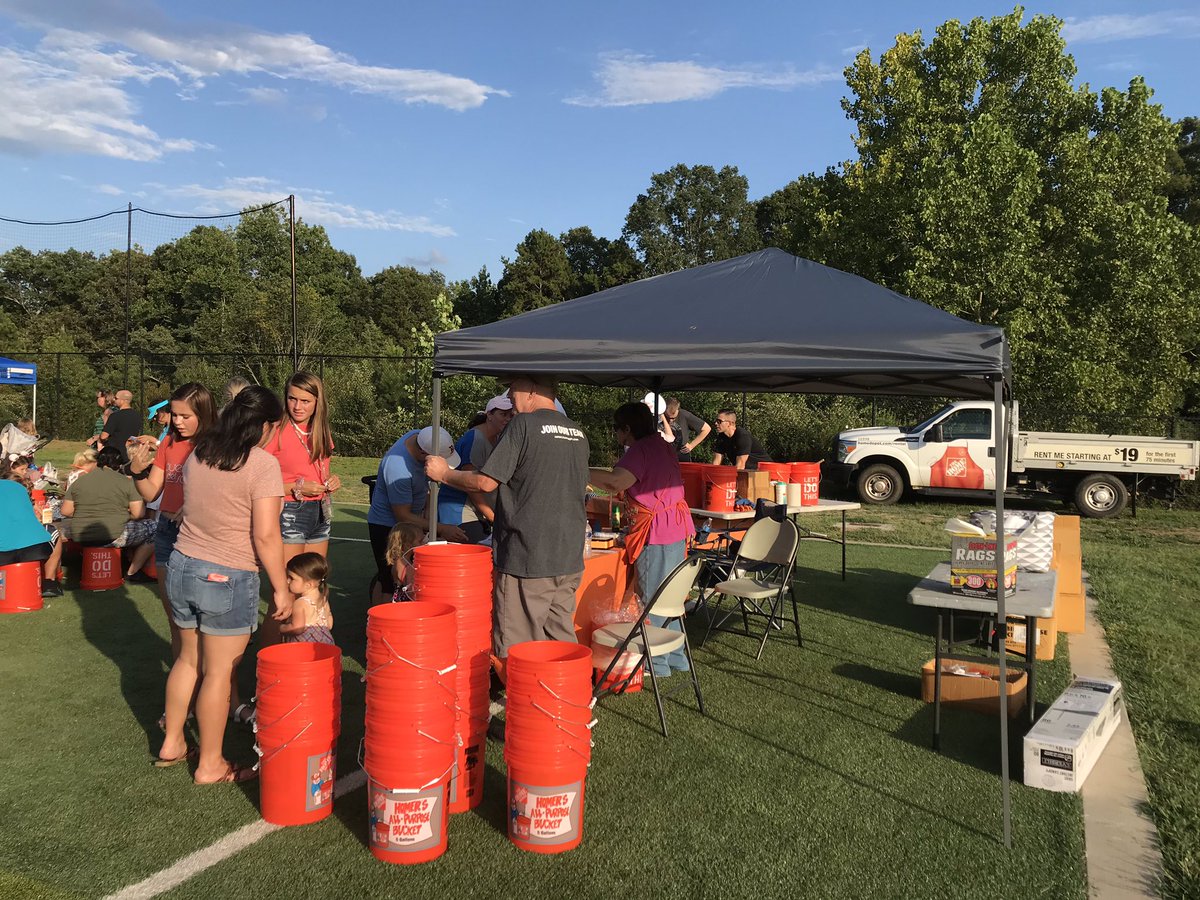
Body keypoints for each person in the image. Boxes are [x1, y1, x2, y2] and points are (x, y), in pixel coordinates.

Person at [157, 386, 289, 783]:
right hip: (226, 575)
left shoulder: (202, 451)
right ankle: (210, 763)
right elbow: (266, 536)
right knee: (218, 672)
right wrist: (281, 587)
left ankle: (173, 741)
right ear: (265, 425)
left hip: (182, 565)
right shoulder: (262, 465)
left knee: (187, 659)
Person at [425, 375, 590, 662]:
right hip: (568, 557)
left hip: (528, 557)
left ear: (532, 390)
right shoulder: (576, 432)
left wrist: (444, 474)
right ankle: (563, 704)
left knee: (518, 649)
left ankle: (527, 703)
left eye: (513, 389)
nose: (510, 396)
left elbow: (486, 482)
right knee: (560, 645)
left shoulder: (523, 425)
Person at [588, 402, 695, 677]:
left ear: (626, 429)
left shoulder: (640, 450)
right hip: (674, 528)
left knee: (652, 600)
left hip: (657, 531)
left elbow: (615, 482)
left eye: (616, 429)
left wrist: (581, 471)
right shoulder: (661, 445)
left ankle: (655, 664)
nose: (615, 435)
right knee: (670, 597)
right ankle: (675, 658)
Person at [128, 383, 219, 663]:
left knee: (206, 622)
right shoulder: (168, 442)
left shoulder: (217, 444)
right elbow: (153, 491)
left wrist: (193, 506)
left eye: (185, 416)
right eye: (174, 415)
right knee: (177, 621)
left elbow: (224, 491)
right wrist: (136, 472)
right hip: (167, 532)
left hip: (202, 535)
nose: (177, 422)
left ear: (203, 413)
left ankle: (209, 690)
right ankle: (187, 691)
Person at [367, 425, 467, 602]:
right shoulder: (398, 468)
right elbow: (402, 515)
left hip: (413, 521)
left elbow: (427, 487)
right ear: (424, 454)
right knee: (388, 578)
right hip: (389, 526)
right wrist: (442, 528)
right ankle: (380, 618)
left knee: (406, 574)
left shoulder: (420, 436)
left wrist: (429, 518)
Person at [60, 446, 156, 582]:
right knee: (155, 528)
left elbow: (65, 511)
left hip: (80, 535)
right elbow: (138, 513)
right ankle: (133, 571)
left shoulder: (79, 481)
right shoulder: (126, 482)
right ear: (119, 464)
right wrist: (122, 515)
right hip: (113, 535)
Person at [437, 394, 514, 543]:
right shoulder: (476, 440)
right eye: (503, 414)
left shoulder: (497, 438)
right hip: (459, 512)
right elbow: (470, 485)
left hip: (476, 513)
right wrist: (493, 518)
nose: (507, 419)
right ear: (489, 415)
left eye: (510, 415)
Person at [0, 463, 63, 597]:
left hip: (2, 553)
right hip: (33, 549)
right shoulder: (18, 489)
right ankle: (49, 583)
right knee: (53, 531)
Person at [280, 552, 334, 644]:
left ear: (308, 585)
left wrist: (282, 628)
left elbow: (297, 628)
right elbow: (329, 624)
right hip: (326, 643)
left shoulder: (300, 603)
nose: (287, 581)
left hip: (305, 647)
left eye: (291, 578)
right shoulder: (323, 599)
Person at [382, 522, 424, 603]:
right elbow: (412, 590)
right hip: (406, 603)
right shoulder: (404, 565)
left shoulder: (400, 561)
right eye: (420, 541)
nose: (423, 543)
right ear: (408, 545)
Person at [98, 389, 141, 464]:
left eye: (116, 398)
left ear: (123, 400)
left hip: (115, 454)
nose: (114, 400)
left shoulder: (115, 416)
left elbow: (104, 436)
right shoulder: (137, 416)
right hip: (130, 452)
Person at [664, 397, 711, 462]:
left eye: (673, 418)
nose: (670, 421)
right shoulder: (659, 415)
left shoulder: (684, 415)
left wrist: (692, 445)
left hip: (681, 454)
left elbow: (706, 428)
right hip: (663, 453)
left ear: (678, 409)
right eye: (668, 418)